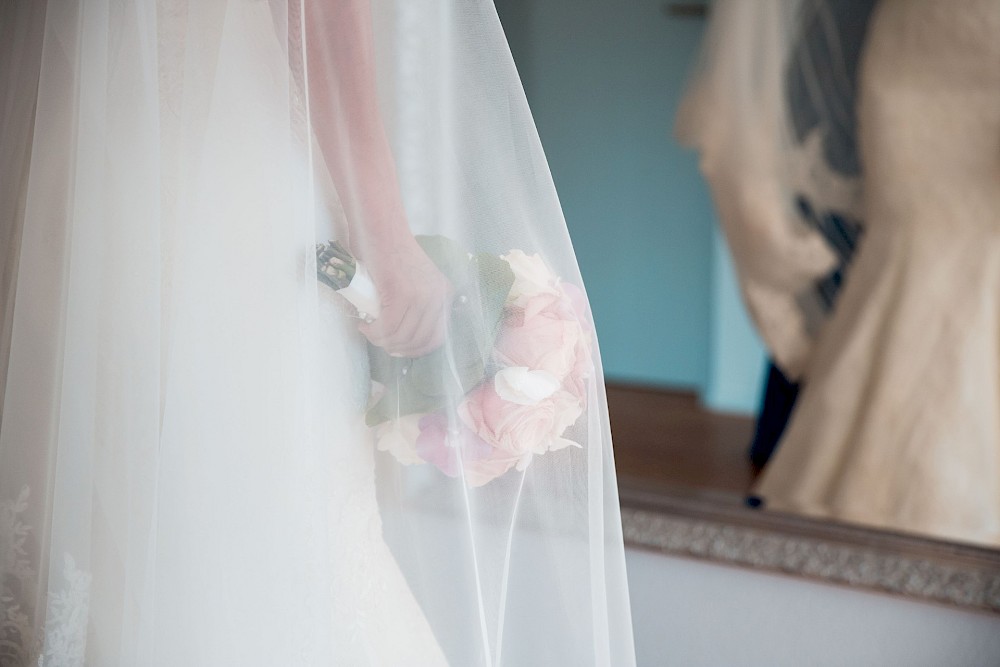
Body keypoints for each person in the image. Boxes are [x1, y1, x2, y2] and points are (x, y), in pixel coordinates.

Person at [0, 1, 636, 664]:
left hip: (75, 176)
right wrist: (386, 245)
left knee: (121, 544)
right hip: (235, 203)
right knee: (284, 555)